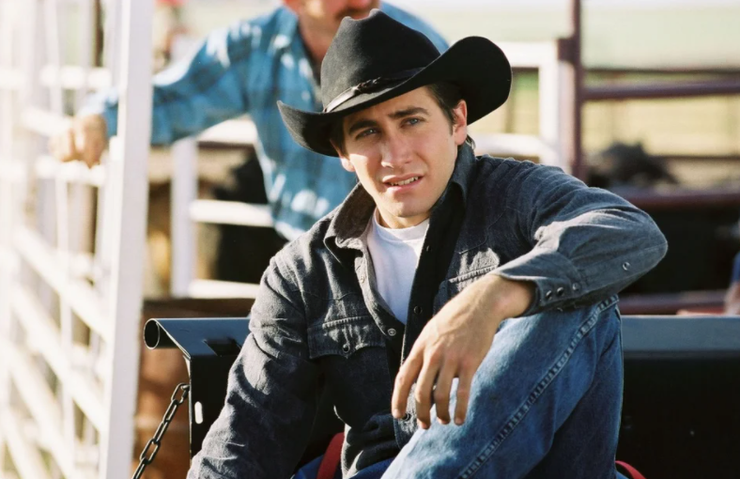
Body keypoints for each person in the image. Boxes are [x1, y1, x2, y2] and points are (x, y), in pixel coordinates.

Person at [187, 11, 668, 479]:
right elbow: (249, 434)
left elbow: (630, 229)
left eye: (411, 121)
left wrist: (493, 298)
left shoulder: (518, 199)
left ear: (457, 122)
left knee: (568, 291)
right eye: (367, 132)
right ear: (343, 153)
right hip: (383, 469)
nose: (395, 155)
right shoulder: (304, 273)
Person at [48, 0, 447, 241]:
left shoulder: (418, 42)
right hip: (311, 250)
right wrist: (101, 118)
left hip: (412, 241)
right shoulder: (254, 46)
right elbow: (175, 99)